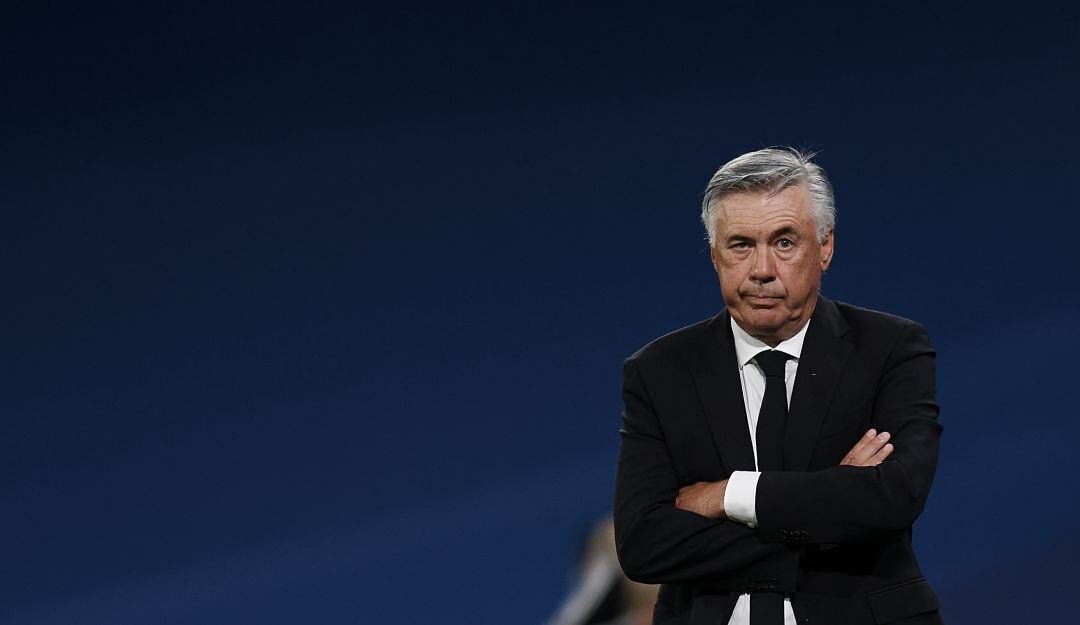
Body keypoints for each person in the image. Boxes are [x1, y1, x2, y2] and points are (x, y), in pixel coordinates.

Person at [613, 147, 943, 625]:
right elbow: (644, 544)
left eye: (784, 242)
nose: (762, 269)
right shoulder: (660, 371)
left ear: (825, 247)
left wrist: (728, 496)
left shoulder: (890, 349)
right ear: (714, 255)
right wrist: (826, 521)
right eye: (740, 245)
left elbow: (892, 498)